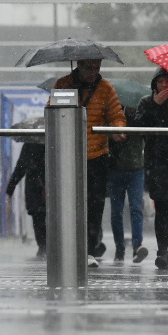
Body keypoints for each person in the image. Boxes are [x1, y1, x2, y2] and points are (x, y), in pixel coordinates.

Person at [53, 59, 126, 259]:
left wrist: (118, 129)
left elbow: (117, 115)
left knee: (94, 206)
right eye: (89, 68)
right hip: (68, 155)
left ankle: (89, 250)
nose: (94, 72)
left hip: (97, 156)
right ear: (79, 65)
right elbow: (51, 110)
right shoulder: (62, 84)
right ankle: (69, 249)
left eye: (97, 68)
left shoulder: (106, 89)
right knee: (68, 204)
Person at [134, 69, 168, 271]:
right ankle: (162, 251)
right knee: (163, 208)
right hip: (157, 163)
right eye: (162, 81)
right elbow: (139, 126)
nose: (166, 85)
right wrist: (155, 107)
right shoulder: (146, 103)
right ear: (154, 83)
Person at [107, 124, 148, 264]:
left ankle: (136, 245)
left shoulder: (139, 113)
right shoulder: (115, 111)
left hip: (135, 167)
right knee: (118, 212)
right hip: (118, 167)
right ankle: (120, 247)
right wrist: (112, 135)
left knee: (135, 208)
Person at [5, 140, 47, 258]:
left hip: (34, 186)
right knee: (46, 216)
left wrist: (10, 189)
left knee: (38, 217)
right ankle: (47, 245)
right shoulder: (53, 142)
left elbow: (20, 168)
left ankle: (43, 246)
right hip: (50, 186)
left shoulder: (29, 144)